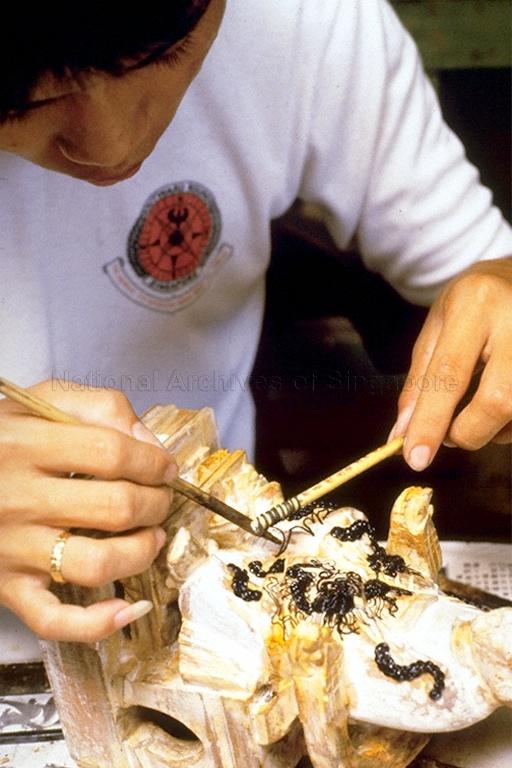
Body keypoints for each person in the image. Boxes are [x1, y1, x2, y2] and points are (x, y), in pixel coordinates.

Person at [0, 0, 510, 644]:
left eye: (166, 53)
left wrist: (503, 291)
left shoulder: (301, 17)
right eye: (22, 105)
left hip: (213, 610)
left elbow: (484, 271)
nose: (113, 146)